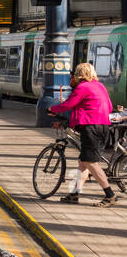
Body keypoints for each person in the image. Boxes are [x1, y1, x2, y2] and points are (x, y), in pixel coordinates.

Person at [49, 63, 118, 206]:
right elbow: (110, 107)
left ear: (79, 74)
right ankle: (74, 194)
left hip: (91, 127)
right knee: (83, 162)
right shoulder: (100, 86)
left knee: (90, 162)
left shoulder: (82, 87)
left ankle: (110, 195)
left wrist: (52, 108)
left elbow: (68, 104)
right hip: (103, 126)